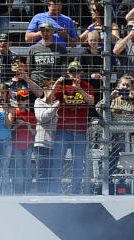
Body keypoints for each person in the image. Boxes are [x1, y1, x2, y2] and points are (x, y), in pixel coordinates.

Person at [48, 61, 95, 194]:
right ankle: (55, 192)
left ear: (81, 72)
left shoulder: (87, 86)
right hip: (62, 130)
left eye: (77, 71)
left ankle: (75, 192)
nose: (74, 74)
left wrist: (79, 88)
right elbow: (48, 100)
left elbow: (91, 101)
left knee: (78, 164)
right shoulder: (63, 87)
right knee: (58, 163)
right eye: (71, 71)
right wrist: (56, 85)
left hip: (80, 131)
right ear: (68, 73)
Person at [34, 78, 61, 194]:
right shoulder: (38, 102)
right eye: (51, 88)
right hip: (42, 143)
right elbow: (42, 117)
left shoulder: (60, 102)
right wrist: (55, 106)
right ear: (45, 89)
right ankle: (41, 196)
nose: (54, 91)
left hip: (57, 144)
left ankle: (54, 196)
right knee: (42, 173)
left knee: (55, 173)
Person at [11, 89, 36, 194]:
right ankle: (18, 193)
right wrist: (17, 124)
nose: (20, 101)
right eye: (18, 99)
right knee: (18, 170)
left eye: (23, 99)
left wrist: (29, 126)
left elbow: (34, 133)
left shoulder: (31, 115)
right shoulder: (13, 113)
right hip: (16, 146)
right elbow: (9, 130)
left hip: (28, 146)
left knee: (27, 171)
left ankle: (28, 193)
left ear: (27, 101)